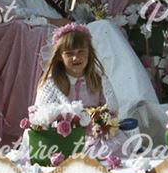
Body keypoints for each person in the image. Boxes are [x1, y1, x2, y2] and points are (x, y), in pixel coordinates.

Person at [0, 0, 168, 143]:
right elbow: (10, 13)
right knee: (103, 29)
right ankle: (133, 104)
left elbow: (90, 15)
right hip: (46, 34)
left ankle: (136, 102)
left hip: (72, 35)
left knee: (104, 26)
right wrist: (52, 22)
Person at [35, 23, 137, 160]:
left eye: (81, 52)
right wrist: (65, 115)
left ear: (89, 53)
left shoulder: (97, 80)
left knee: (113, 146)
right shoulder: (53, 83)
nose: (76, 58)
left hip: (94, 134)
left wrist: (100, 117)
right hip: (65, 134)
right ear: (59, 56)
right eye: (69, 54)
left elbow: (110, 108)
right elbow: (42, 112)